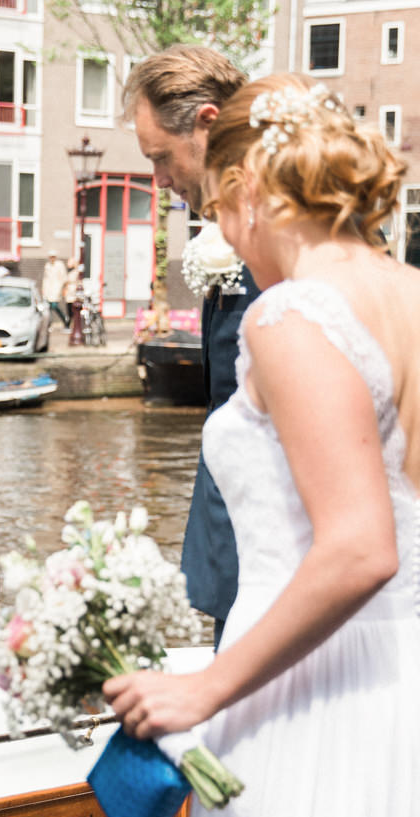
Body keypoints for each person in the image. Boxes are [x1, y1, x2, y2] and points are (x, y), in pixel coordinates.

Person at [103, 74, 420, 817]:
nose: (221, 232)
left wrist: (201, 689)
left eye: (212, 204)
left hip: (318, 696)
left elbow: (360, 549)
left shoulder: (294, 317)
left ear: (251, 185)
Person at [125, 46, 251, 646]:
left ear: (205, 122)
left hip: (270, 547)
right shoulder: (232, 225)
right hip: (232, 537)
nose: (161, 179)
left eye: (160, 158)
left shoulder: (288, 235)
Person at [42, 253, 70, 328]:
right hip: (48, 290)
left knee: (54, 306)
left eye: (53, 257)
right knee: (49, 308)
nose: (52, 259)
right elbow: (45, 278)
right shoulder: (47, 266)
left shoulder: (59, 265)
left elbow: (64, 277)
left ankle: (65, 319)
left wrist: (62, 288)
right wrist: (44, 289)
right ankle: (49, 324)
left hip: (56, 289)